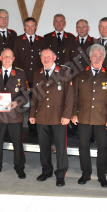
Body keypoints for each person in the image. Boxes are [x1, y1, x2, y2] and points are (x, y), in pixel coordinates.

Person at [71, 44, 107, 187]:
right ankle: (86, 174)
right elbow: (75, 97)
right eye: (94, 56)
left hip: (102, 117)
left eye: (100, 56)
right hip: (83, 116)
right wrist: (73, 114)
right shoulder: (80, 74)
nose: (97, 59)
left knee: (103, 146)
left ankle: (102, 175)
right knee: (83, 145)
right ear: (90, 57)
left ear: (103, 58)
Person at [29, 48, 74, 187]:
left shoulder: (64, 71)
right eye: (43, 57)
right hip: (42, 115)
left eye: (49, 56)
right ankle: (46, 170)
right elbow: (35, 95)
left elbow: (69, 96)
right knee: (44, 146)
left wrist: (67, 115)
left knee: (60, 147)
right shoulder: (38, 73)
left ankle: (60, 174)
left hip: (58, 116)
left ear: (55, 57)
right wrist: (32, 114)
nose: (46, 59)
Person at [0, 48, 28, 179]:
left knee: (17, 142)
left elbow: (25, 94)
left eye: (10, 56)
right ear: (0, 58)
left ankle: (19, 167)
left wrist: (17, 102)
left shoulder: (20, 73)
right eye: (5, 56)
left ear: (13, 58)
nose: (7, 59)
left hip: (15, 114)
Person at [13, 17, 46, 134]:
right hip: (22, 78)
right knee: (19, 102)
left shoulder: (42, 41)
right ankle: (16, 126)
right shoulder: (17, 40)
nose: (30, 28)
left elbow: (45, 60)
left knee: (35, 103)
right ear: (24, 27)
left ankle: (34, 128)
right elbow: (15, 59)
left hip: (37, 79)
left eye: (32, 26)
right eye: (28, 26)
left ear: (36, 26)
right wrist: (18, 75)